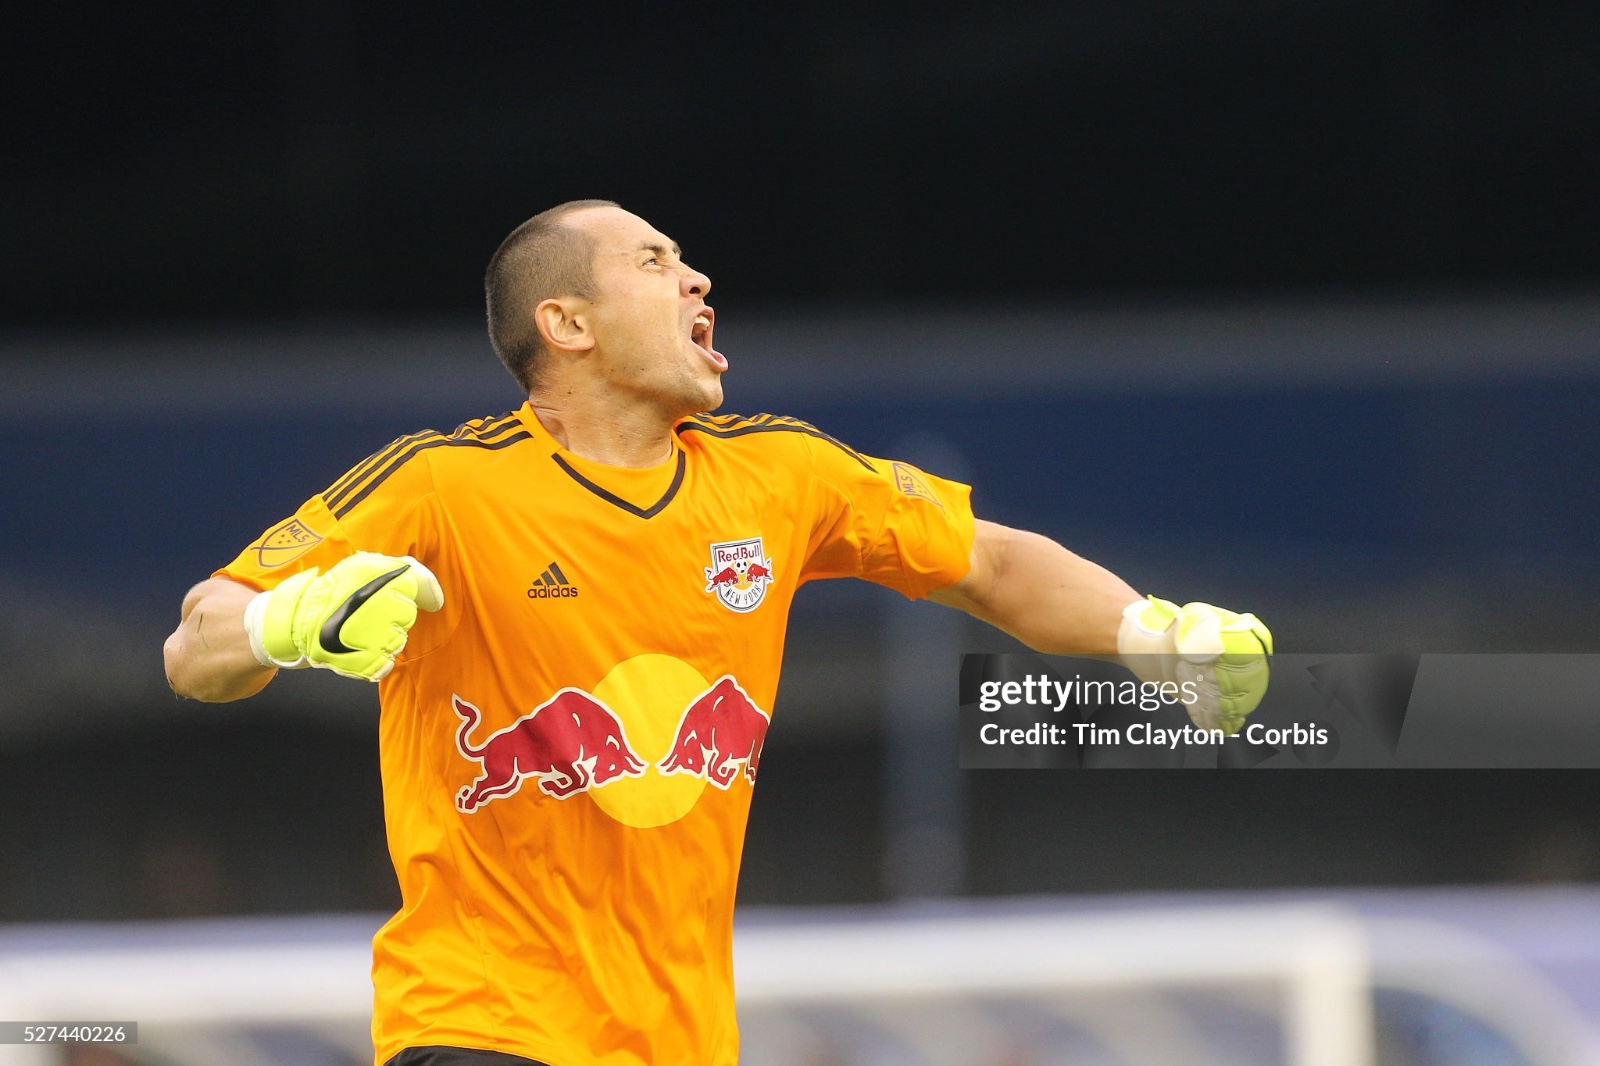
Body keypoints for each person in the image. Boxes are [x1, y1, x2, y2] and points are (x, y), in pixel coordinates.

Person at [163, 200, 1272, 1066]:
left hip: (686, 1039)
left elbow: (987, 559)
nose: (695, 278)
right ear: (568, 324)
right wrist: (283, 619)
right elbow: (195, 641)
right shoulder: (443, 486)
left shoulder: (775, 474)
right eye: (651, 261)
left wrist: (1147, 631)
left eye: (685, 259)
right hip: (481, 1024)